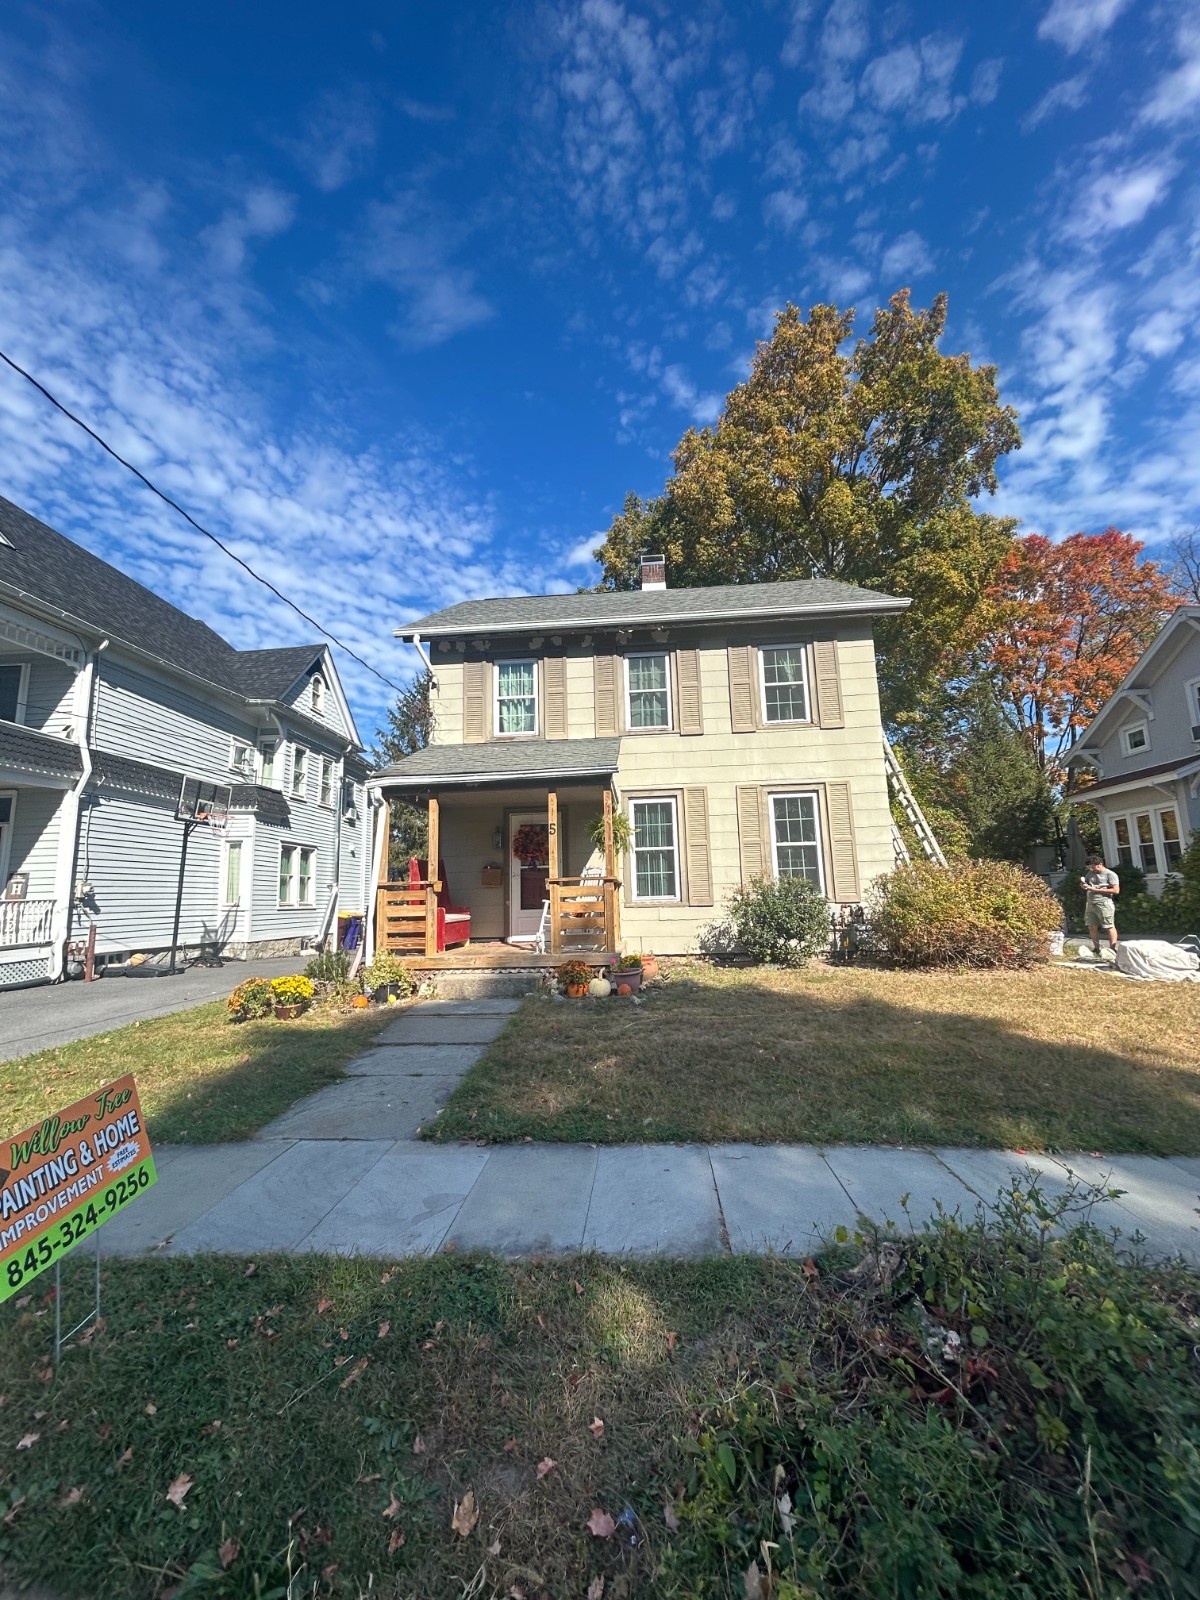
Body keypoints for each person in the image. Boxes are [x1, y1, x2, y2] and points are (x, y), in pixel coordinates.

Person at [1080, 853, 1119, 959]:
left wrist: (1096, 890)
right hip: (1091, 903)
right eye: (1089, 867)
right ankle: (1097, 948)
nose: (1091, 869)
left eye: (1093, 867)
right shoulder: (1090, 873)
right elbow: (1086, 883)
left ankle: (1112, 949)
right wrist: (1084, 885)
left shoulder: (1110, 874)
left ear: (1100, 864)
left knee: (1109, 926)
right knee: (1092, 926)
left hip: (1104, 903)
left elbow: (1116, 890)